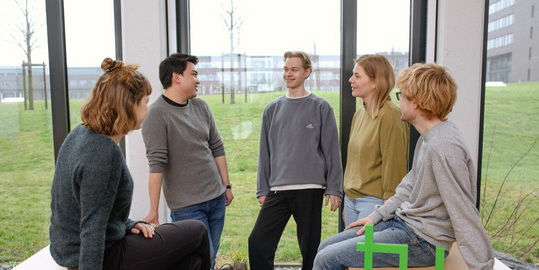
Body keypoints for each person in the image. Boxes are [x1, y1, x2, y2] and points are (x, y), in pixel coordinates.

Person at [313, 63, 495, 270]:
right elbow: (408, 188)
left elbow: (463, 210)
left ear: (417, 102)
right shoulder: (428, 138)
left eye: (402, 96)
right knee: (324, 247)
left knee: (326, 259)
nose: (399, 101)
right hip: (404, 223)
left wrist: (483, 266)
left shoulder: (444, 146)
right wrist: (375, 216)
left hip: (424, 241)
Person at [49, 58, 211, 270]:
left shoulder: (80, 134)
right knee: (198, 231)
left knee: (192, 262)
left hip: (68, 249)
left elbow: (85, 205)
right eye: (145, 102)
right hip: (100, 255)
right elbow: (92, 229)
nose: (148, 109)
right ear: (128, 106)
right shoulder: (104, 153)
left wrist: (128, 225)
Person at [248, 51, 343, 270]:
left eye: (294, 69)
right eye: (285, 69)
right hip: (278, 190)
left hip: (310, 188)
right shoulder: (271, 110)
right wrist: (262, 189)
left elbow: (331, 151)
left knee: (310, 249)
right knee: (258, 242)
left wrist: (334, 189)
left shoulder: (321, 107)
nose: (288, 74)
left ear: (306, 72)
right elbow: (265, 152)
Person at [141, 53, 233, 269]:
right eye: (193, 74)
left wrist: (226, 185)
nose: (198, 80)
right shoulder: (156, 115)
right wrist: (153, 210)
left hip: (217, 197)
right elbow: (156, 165)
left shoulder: (201, 107)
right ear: (177, 77)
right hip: (187, 207)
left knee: (210, 256)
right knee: (201, 259)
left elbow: (217, 147)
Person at [343, 54, 409, 228]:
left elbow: (394, 165)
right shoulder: (359, 114)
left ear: (375, 82)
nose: (351, 80)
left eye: (357, 76)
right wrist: (347, 199)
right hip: (351, 200)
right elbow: (353, 161)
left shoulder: (390, 114)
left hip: (374, 203)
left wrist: (387, 209)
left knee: (360, 255)